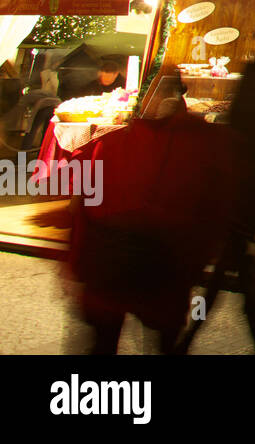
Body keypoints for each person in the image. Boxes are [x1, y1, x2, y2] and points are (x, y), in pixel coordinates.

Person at [67, 90, 235, 354]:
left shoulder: (111, 143)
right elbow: (210, 214)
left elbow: (85, 205)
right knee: (163, 341)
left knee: (104, 342)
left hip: (112, 261)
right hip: (164, 264)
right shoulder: (200, 150)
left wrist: (78, 265)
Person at [176, 59, 255, 354]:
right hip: (250, 210)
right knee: (240, 284)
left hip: (232, 206)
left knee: (221, 284)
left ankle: (191, 335)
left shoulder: (238, 111)